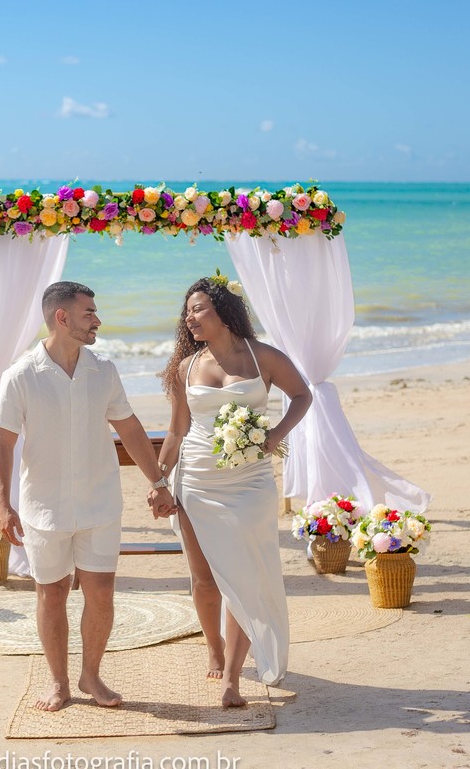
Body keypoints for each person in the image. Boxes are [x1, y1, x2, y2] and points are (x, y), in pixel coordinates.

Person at [0, 281, 174, 712]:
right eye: (89, 312)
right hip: (44, 507)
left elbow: (129, 429)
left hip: (99, 503)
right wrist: (3, 504)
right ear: (62, 317)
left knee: (101, 593)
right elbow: (2, 442)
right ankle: (58, 682)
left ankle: (90, 674)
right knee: (51, 593)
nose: (97, 320)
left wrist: (158, 482)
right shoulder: (21, 375)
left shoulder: (103, 370)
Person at [156, 274, 312, 707]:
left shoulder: (264, 359)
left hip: (250, 482)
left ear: (224, 310)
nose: (189, 318)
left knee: (242, 577)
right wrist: (157, 479)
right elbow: (176, 431)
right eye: (187, 311)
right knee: (204, 580)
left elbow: (301, 395)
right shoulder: (186, 367)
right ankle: (214, 648)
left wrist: (274, 434)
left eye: (198, 308)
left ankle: (231, 679)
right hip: (195, 478)